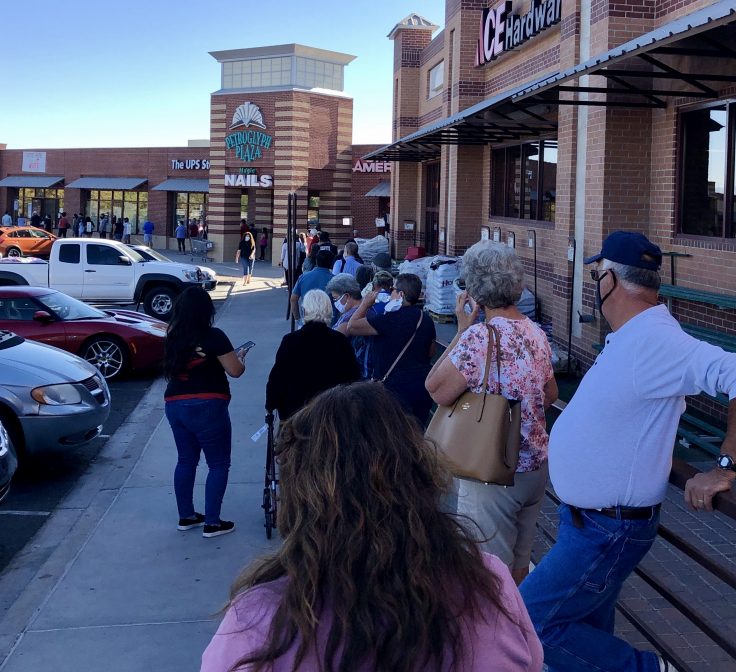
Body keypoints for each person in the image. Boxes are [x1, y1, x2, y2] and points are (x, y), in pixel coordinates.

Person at [201, 382, 543, 672]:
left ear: (301, 493)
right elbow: (532, 658)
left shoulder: (258, 622)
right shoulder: (489, 584)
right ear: (421, 472)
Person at [519, 231, 736, 672]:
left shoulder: (657, 340)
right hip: (590, 521)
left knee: (530, 624)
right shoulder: (633, 335)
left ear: (610, 281)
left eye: (598, 274)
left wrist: (725, 467)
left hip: (607, 529)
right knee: (584, 635)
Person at [425, 241, 558, 585]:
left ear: (474, 288)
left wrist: (461, 330)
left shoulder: (479, 339)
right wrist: (520, 415)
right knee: (519, 565)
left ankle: (494, 635)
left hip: (492, 472)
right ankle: (520, 629)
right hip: (534, 468)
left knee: (487, 574)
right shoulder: (536, 332)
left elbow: (436, 389)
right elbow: (551, 393)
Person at [164, 287, 246, 539]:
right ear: (205, 310)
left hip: (175, 403)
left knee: (186, 460)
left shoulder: (172, 336)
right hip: (209, 404)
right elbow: (235, 371)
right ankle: (212, 522)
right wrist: (239, 357)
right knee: (218, 463)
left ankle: (186, 516)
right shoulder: (215, 336)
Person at [348, 273, 436, 426]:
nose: (391, 293)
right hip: (421, 386)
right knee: (418, 431)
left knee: (393, 434)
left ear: (401, 294)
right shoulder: (426, 319)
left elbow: (352, 326)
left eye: (393, 290)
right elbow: (431, 352)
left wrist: (365, 304)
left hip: (393, 389)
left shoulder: (388, 319)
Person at [266, 290, 359, 420]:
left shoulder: (291, 341)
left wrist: (271, 405)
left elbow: (278, 377)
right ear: (329, 310)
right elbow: (353, 378)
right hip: (331, 416)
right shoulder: (340, 341)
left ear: (305, 311)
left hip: (296, 415)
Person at [326, 274, 372, 378]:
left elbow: (332, 342)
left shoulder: (351, 316)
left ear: (346, 296)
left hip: (354, 373)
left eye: (335, 299)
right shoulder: (361, 309)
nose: (335, 303)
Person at [291, 250, 334, 323]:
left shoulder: (303, 277)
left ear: (316, 261)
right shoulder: (334, 280)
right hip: (328, 322)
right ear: (331, 263)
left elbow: (293, 299)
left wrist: (297, 319)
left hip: (307, 320)